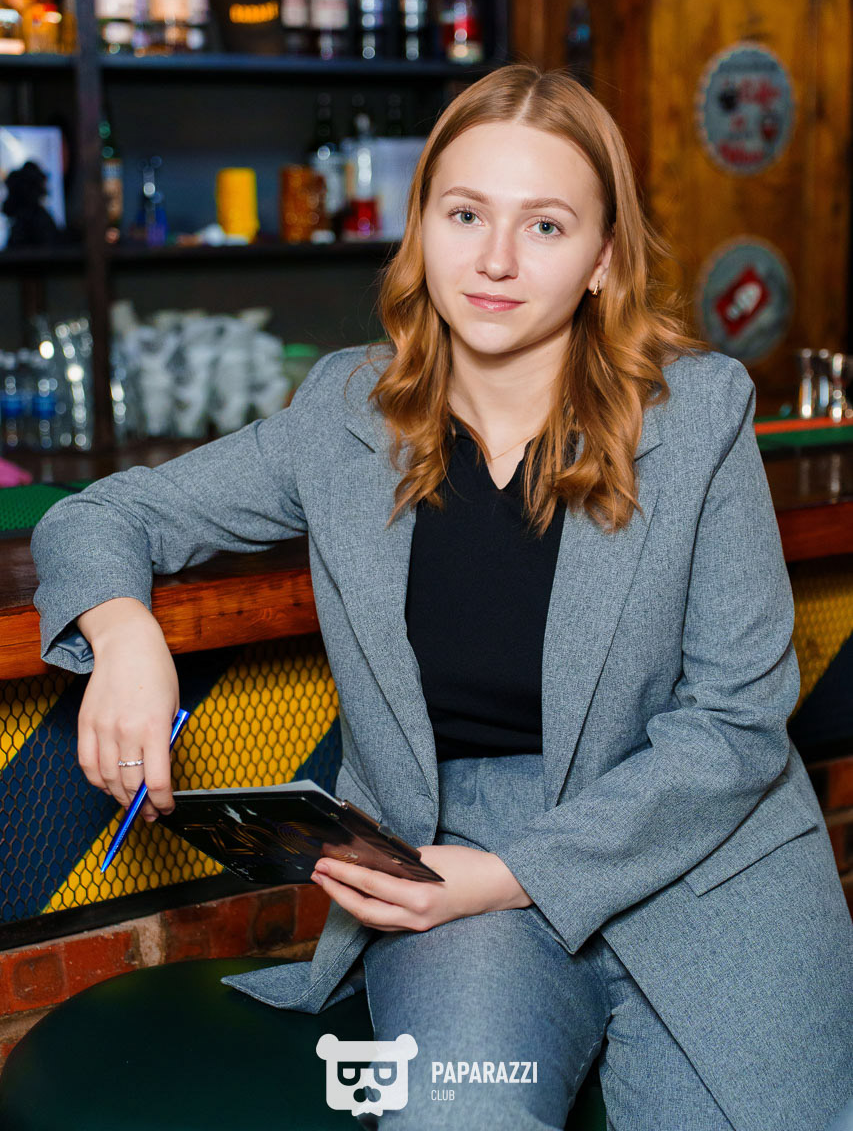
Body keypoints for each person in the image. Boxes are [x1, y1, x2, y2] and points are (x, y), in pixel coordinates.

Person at [31, 64, 853, 1131]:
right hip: (443, 867)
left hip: (698, 861)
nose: (496, 259)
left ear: (603, 259)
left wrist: (513, 871)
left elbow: (736, 724)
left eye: (545, 225)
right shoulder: (345, 411)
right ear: (421, 227)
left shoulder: (695, 414)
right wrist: (125, 632)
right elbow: (100, 515)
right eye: (465, 214)